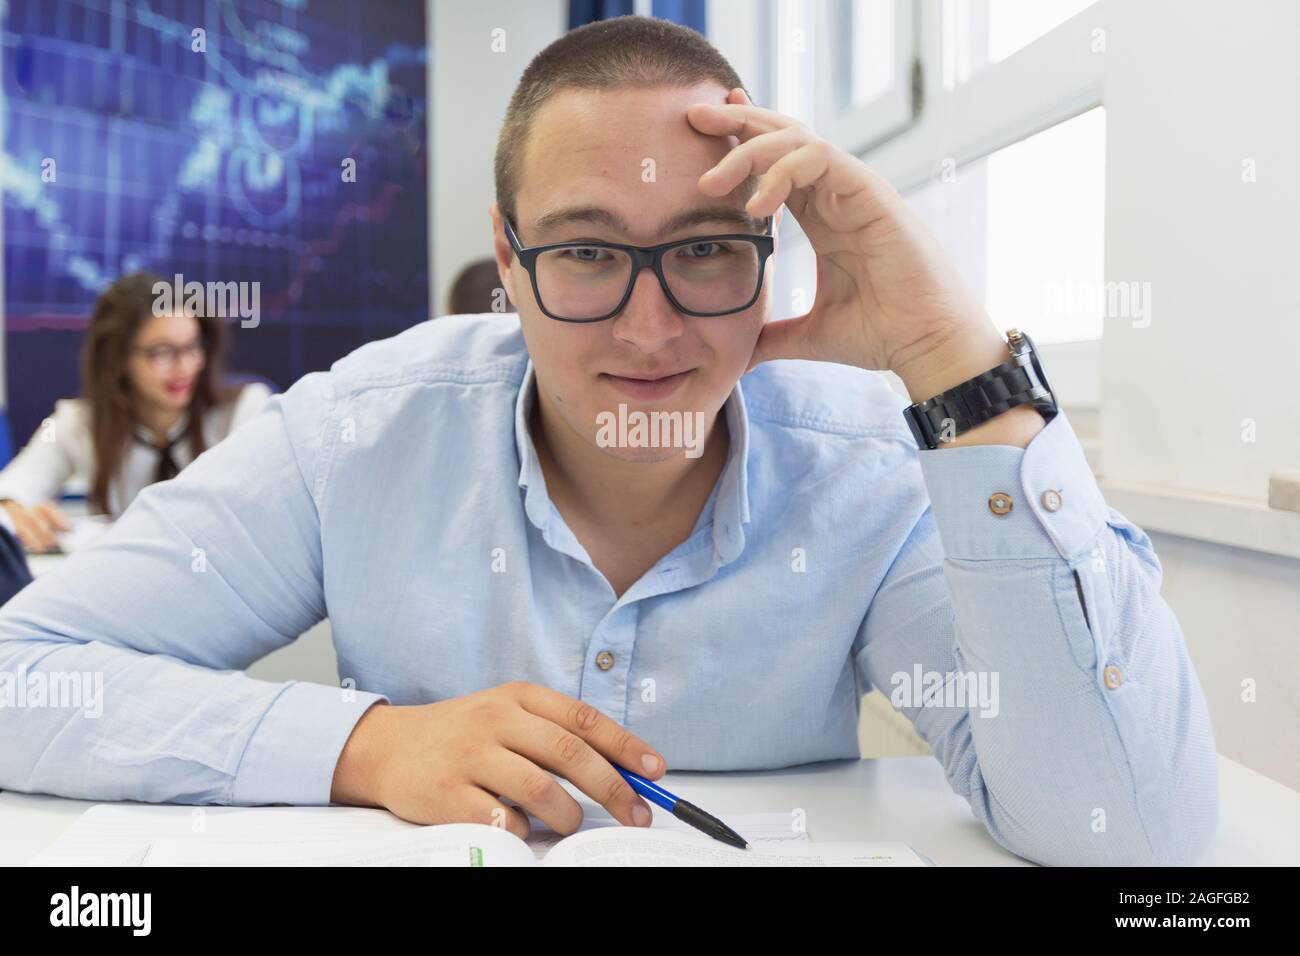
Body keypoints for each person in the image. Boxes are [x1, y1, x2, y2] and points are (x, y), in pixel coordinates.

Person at [0, 17, 1217, 866]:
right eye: (585, 250)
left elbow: (1126, 827)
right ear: (510, 261)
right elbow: (21, 673)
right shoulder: (359, 430)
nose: (649, 328)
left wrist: (953, 355)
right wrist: (365, 744)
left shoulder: (869, 462)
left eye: (703, 247)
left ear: (772, 247)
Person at [0, 271, 272, 551]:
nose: (185, 367)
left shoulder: (245, 410)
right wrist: (11, 508)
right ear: (118, 358)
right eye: (163, 352)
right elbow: (15, 486)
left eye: (193, 346)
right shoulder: (79, 422)